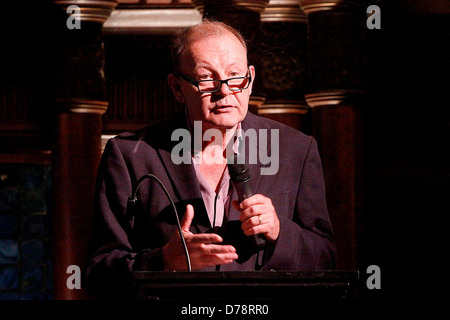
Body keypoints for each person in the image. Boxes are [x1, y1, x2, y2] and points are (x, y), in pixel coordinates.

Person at [83, 19, 336, 299]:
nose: (225, 91)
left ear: (250, 79)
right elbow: (98, 272)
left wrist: (279, 231)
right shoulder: (130, 154)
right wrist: (164, 261)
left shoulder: (296, 149)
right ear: (177, 87)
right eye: (207, 78)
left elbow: (325, 258)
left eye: (235, 76)